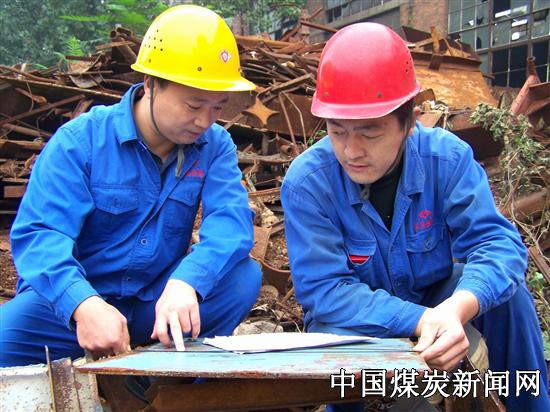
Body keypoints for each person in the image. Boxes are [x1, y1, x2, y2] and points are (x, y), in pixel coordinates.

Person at [281, 23, 549, 411]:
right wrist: (424, 321)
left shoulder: (446, 159)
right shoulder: (308, 183)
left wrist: (456, 309)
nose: (351, 150)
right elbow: (325, 292)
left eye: (369, 133)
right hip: (355, 320)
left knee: (509, 298)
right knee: (334, 344)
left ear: (410, 121)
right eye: (338, 132)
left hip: (436, 298)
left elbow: (497, 245)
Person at [0, 5, 262, 367]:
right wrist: (82, 303)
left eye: (218, 107)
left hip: (156, 304)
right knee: (5, 341)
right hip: (74, 309)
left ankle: (170, 384)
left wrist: (187, 282)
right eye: (194, 105)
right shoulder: (81, 141)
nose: (205, 121)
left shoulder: (214, 146)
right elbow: (40, 234)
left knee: (241, 278)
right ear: (151, 84)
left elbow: (230, 225)